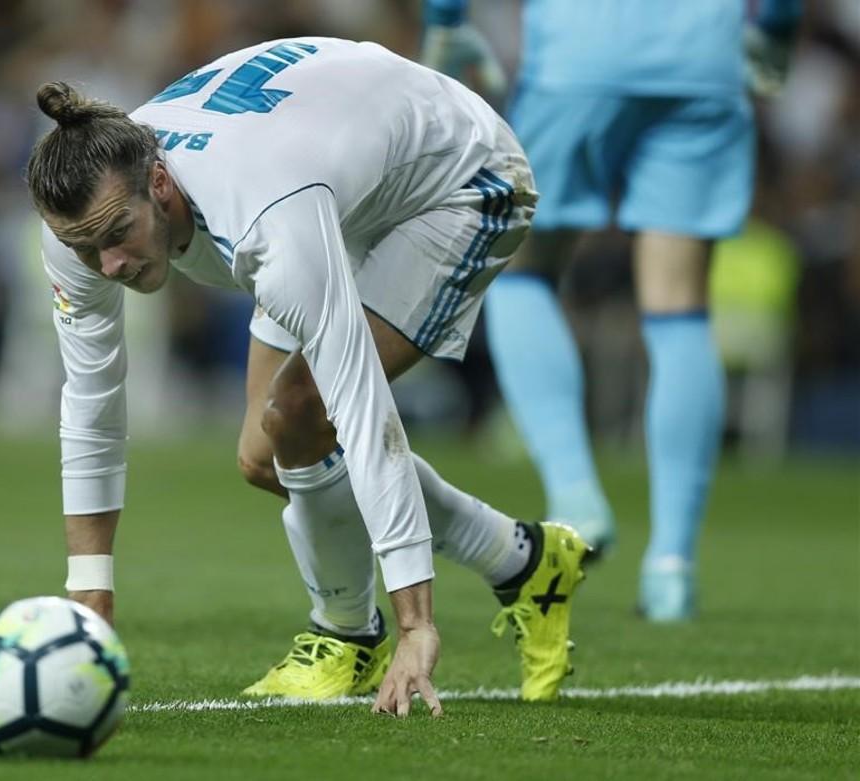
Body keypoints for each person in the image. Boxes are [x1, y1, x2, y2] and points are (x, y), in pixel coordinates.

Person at [29, 37, 592, 716]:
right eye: (84, 247)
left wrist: (417, 621)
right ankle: (525, 560)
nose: (108, 264)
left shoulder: (268, 217)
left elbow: (363, 408)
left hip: (460, 180)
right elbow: (90, 402)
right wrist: (91, 595)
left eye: (118, 233)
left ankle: (349, 634)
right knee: (264, 455)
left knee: (301, 411)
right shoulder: (82, 223)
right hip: (333, 171)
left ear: (159, 183)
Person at [419, 0, 802, 621]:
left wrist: (444, 20)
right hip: (702, 59)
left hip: (579, 54)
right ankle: (672, 566)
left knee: (522, 271)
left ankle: (575, 496)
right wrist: (778, 29)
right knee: (680, 307)